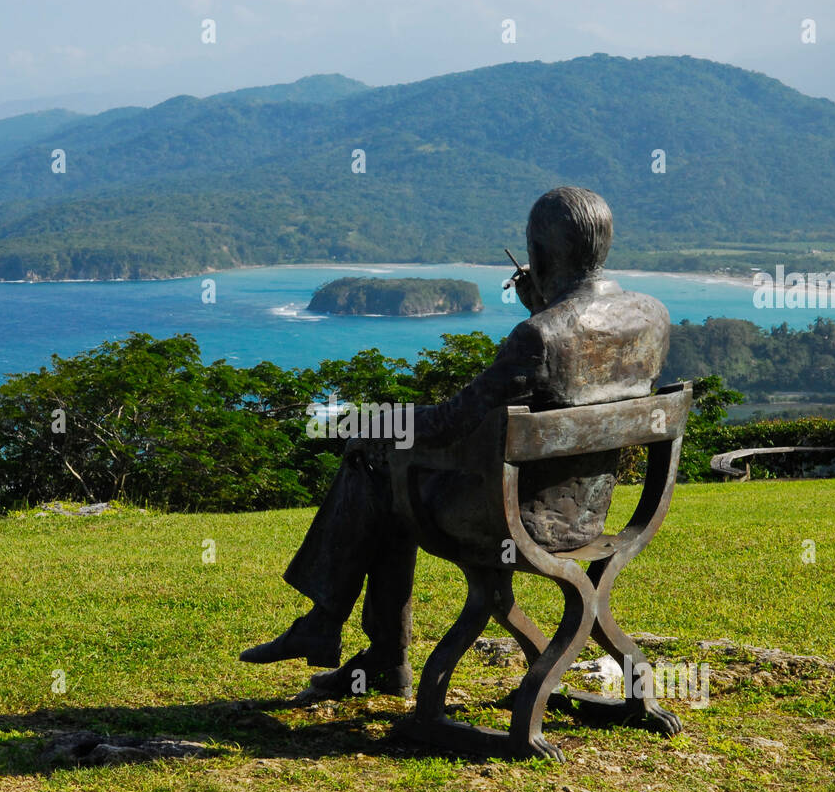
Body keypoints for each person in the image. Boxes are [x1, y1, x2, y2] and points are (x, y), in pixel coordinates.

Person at [240, 186, 669, 698]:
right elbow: (574, 379)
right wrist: (542, 307)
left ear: (539, 253)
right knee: (389, 475)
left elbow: (450, 421)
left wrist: (376, 425)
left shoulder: (539, 336)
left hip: (512, 517)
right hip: (588, 514)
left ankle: (343, 632)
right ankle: (361, 647)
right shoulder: (651, 316)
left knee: (376, 468)